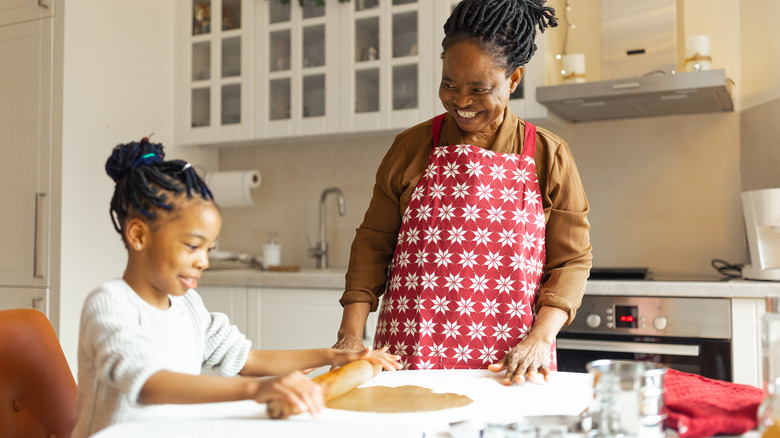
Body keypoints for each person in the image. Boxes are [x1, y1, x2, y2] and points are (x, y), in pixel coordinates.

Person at [334, 0, 591, 386]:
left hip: (512, 359)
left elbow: (571, 262)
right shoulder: (411, 147)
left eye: (479, 89)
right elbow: (373, 244)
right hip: (410, 350)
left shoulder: (548, 155)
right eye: (449, 85)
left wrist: (541, 338)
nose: (461, 101)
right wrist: (350, 335)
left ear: (514, 79)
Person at [73, 138, 401, 438]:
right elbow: (147, 383)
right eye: (192, 246)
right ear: (138, 236)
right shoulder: (111, 304)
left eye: (209, 250)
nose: (203, 261)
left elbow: (246, 358)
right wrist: (256, 390)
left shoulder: (188, 306)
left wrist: (335, 356)